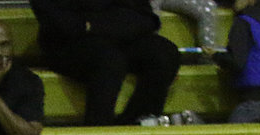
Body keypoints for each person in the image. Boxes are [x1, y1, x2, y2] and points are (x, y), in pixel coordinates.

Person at [29, 0, 181, 125]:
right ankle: (98, 130)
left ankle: (137, 124)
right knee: (109, 60)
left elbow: (145, 17)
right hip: (68, 43)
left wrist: (93, 25)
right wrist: (97, 25)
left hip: (115, 34)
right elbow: (58, 21)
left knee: (165, 54)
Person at [209, 0, 260, 122]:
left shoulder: (244, 22)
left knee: (230, 133)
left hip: (256, 98)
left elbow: (237, 62)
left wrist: (215, 55)